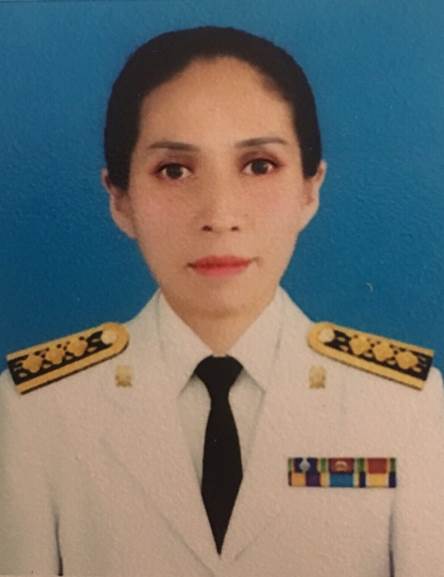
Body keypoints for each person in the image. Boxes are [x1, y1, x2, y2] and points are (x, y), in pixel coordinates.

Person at [1, 26, 443, 577]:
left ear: (311, 188)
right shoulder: (38, 410)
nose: (219, 214)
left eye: (259, 165)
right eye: (174, 170)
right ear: (120, 199)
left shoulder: (403, 406)